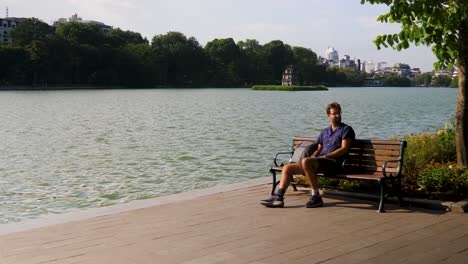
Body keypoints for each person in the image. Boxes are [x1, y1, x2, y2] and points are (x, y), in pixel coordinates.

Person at [261, 102, 355, 208]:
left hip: (333, 163)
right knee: (287, 168)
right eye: (334, 113)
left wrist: (326, 156)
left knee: (306, 161)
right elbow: (319, 149)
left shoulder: (346, 129)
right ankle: (279, 198)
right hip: (318, 162)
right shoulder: (324, 132)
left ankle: (316, 197)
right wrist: (314, 156)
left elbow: (344, 149)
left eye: (339, 113)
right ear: (328, 115)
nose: (337, 116)